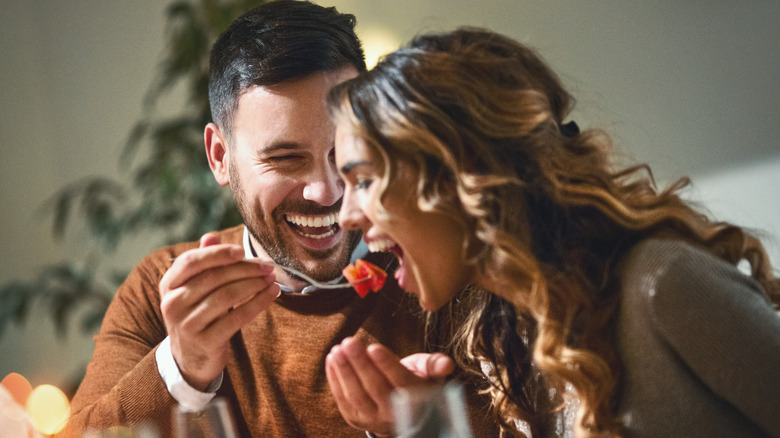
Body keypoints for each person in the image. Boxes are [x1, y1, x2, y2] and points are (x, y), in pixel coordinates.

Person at [59, 4, 496, 437]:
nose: (327, 191)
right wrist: (183, 368)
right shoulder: (161, 288)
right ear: (219, 157)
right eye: (286, 159)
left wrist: (422, 427)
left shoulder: (441, 272)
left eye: (343, 152)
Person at [326, 27, 780, 437]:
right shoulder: (511, 334)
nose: (346, 215)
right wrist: (422, 423)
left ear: (459, 173)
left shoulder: (662, 285)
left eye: (364, 180)